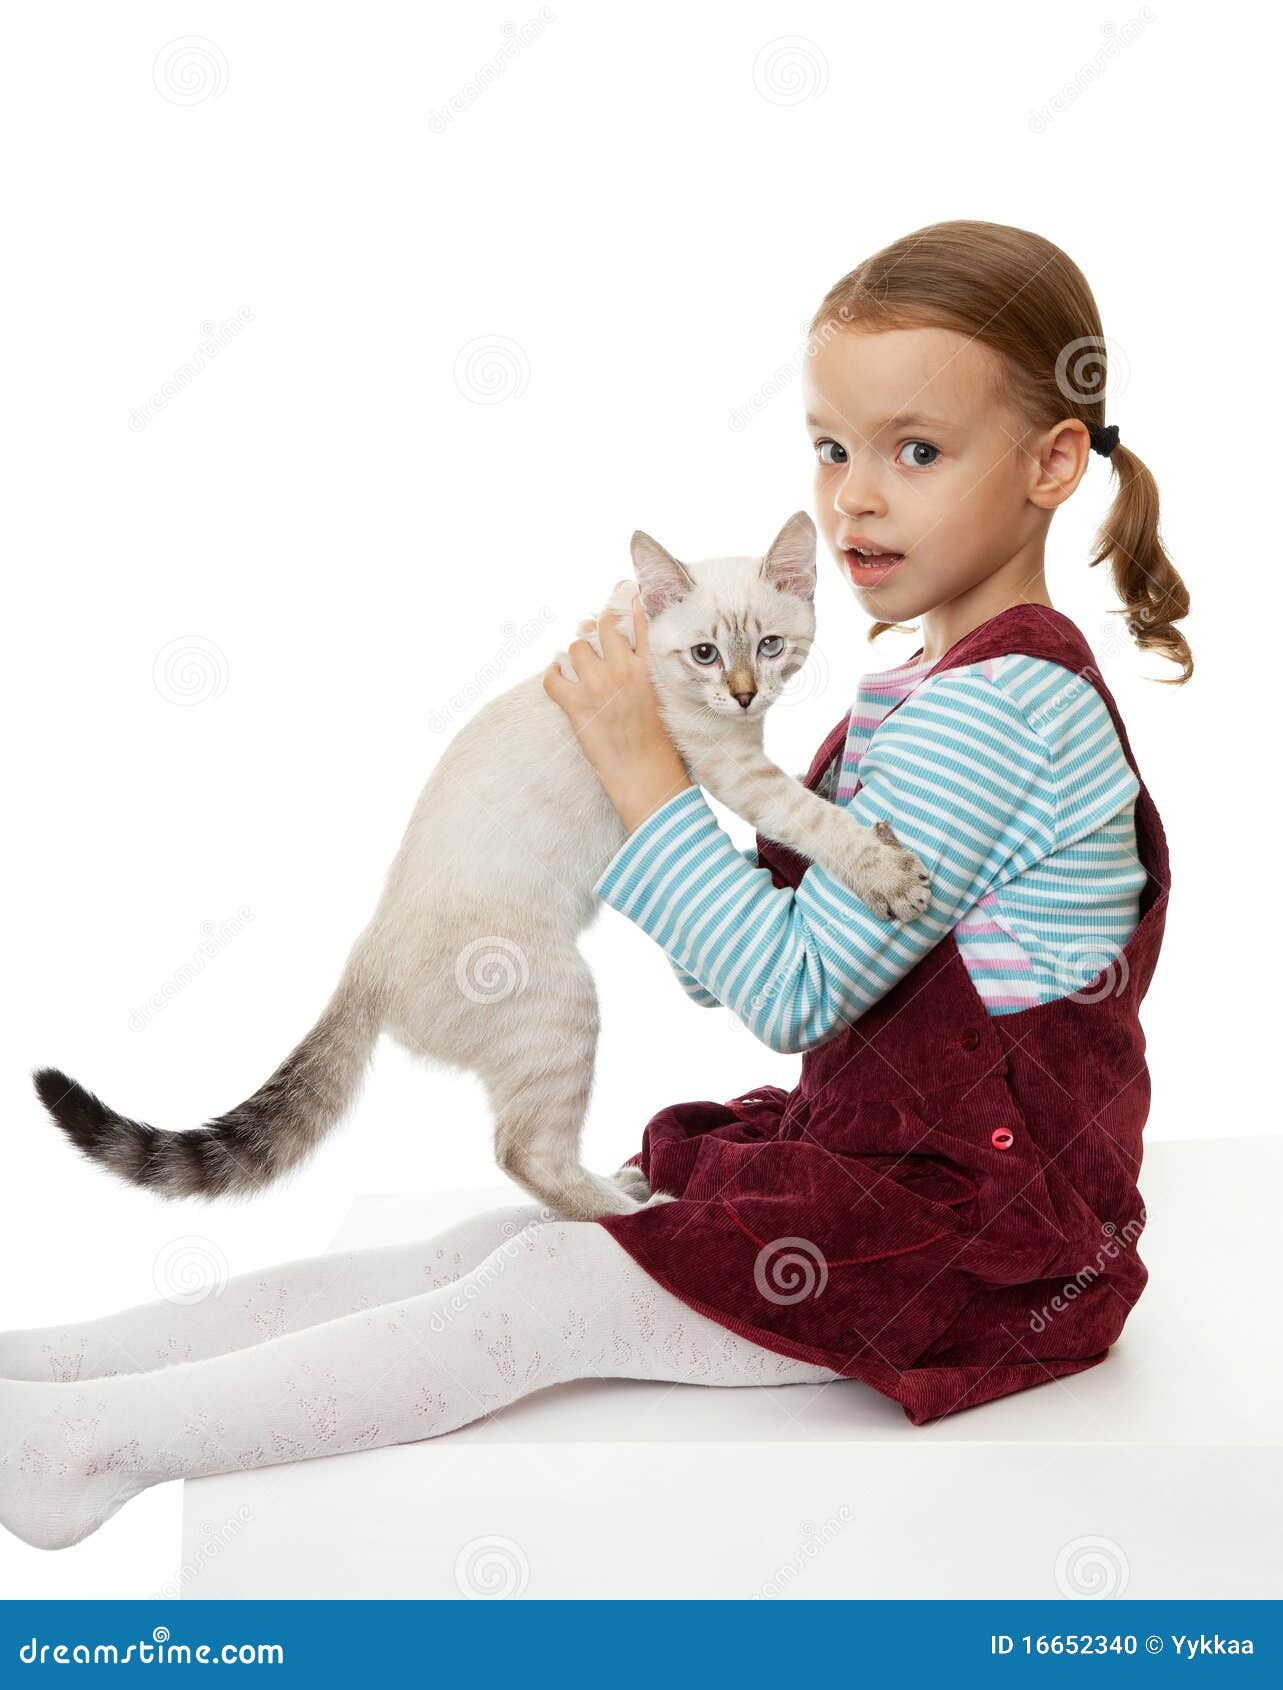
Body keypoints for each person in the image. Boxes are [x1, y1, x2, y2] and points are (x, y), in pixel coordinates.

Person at [0, 220, 1187, 1552]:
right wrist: (667, 789)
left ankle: (81, 1446)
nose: (855, 495)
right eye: (831, 446)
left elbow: (789, 993)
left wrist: (642, 777)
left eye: (916, 451)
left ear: (1053, 463)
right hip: (880, 1156)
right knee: (493, 1248)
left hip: (980, 1233)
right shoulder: (920, 694)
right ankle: (45, 1372)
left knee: (553, 1285)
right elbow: (759, 951)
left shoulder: (1005, 709)